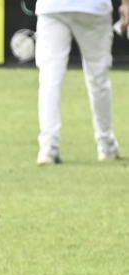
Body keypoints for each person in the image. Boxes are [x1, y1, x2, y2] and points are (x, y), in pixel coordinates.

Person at [35, 0, 122, 165]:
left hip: (52, 6)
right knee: (98, 78)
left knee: (49, 78)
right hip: (93, 8)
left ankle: (48, 147)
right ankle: (106, 144)